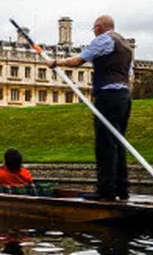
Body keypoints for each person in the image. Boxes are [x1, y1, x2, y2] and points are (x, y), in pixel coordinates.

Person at [46, 15, 133, 201]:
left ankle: (105, 191)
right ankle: (122, 189)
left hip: (107, 96)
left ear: (100, 27)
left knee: (105, 144)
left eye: (94, 29)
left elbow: (78, 60)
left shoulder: (103, 40)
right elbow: (129, 75)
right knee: (119, 143)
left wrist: (55, 63)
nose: (94, 32)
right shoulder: (126, 46)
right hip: (124, 97)